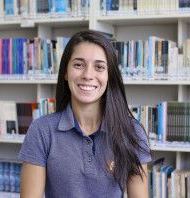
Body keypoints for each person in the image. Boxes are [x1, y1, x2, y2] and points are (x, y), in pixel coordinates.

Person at [18, 29, 152, 198]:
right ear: (66, 72)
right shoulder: (42, 130)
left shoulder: (132, 131)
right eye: (79, 64)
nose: (88, 75)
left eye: (99, 67)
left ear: (109, 75)